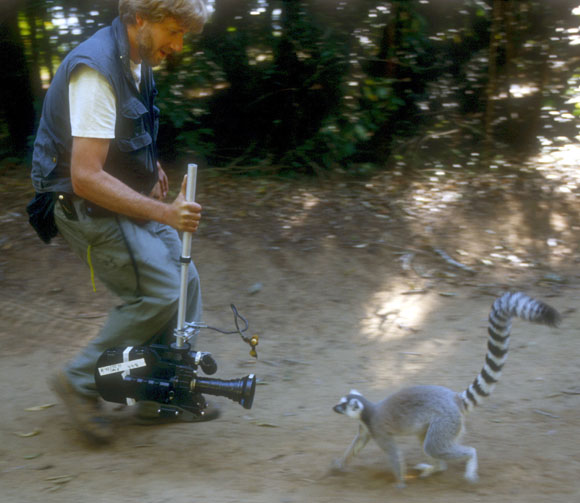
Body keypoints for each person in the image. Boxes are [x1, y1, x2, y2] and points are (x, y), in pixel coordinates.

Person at [30, 0, 212, 444]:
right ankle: (79, 381)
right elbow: (85, 176)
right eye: (173, 31)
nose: (178, 44)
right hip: (86, 208)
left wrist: (152, 173)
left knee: (186, 283)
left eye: (183, 35)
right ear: (140, 20)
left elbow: (126, 138)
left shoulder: (137, 60)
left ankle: (157, 393)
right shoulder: (95, 72)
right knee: (161, 292)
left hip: (122, 200)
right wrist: (166, 213)